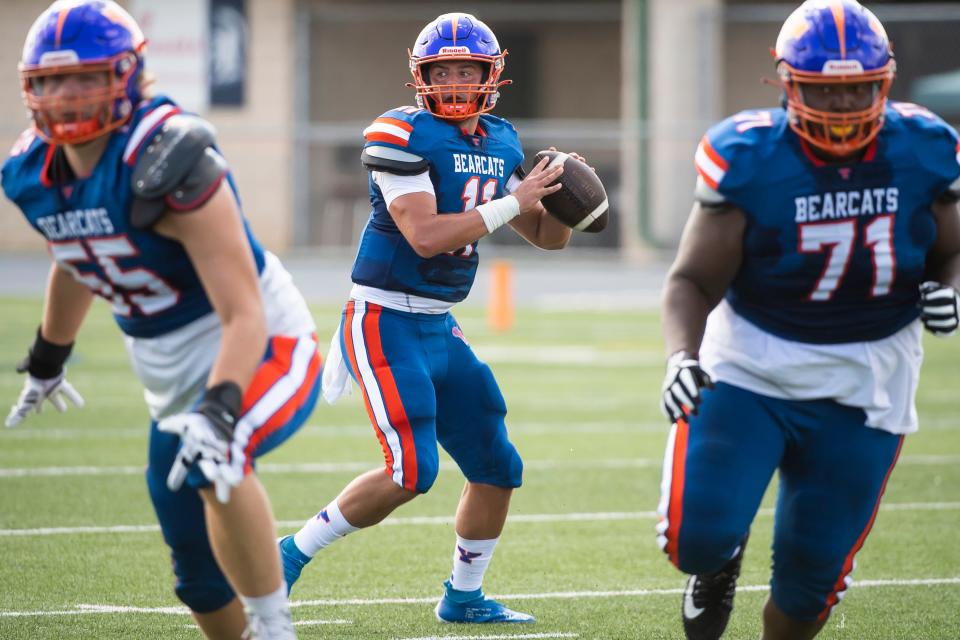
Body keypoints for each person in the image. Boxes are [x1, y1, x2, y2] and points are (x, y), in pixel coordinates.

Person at [3, 2, 322, 638]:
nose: (66, 97)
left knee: (217, 461)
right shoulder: (31, 172)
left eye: (85, 78)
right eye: (51, 81)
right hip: (168, 376)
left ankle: (275, 628)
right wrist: (48, 357)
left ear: (127, 74)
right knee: (196, 576)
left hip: (261, 344)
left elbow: (243, 310)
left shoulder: (170, 157)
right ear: (29, 86)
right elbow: (76, 254)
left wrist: (221, 406)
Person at [656, 1, 960, 639]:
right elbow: (691, 279)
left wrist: (948, 288)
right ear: (788, 84)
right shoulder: (750, 155)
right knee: (697, 539)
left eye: (858, 87)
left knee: (806, 592)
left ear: (885, 81)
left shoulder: (925, 147)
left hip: (870, 377)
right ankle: (717, 568)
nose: (844, 104)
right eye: (827, 89)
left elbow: (953, 248)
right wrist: (682, 357)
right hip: (751, 363)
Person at [278, 11, 583, 624]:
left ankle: (463, 596)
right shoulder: (400, 133)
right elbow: (423, 236)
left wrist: (568, 203)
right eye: (441, 71)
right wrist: (512, 200)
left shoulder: (499, 141)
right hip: (384, 318)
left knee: (498, 466)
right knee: (412, 472)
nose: (453, 82)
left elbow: (543, 236)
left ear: (490, 75)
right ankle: (287, 555)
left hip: (441, 323)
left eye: (465, 70)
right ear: (421, 77)